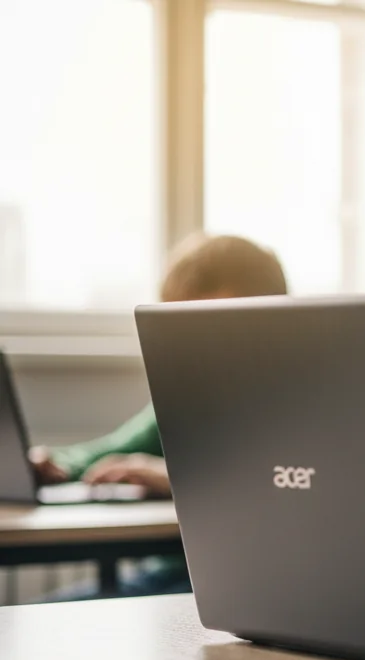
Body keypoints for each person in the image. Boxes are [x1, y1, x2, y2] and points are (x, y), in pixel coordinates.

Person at [31, 233, 288, 598]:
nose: (198, 343)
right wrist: (51, 462)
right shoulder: (188, 393)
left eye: (214, 321)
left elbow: (286, 485)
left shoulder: (300, 398)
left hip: (243, 586)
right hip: (163, 577)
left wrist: (171, 477)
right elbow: (107, 451)